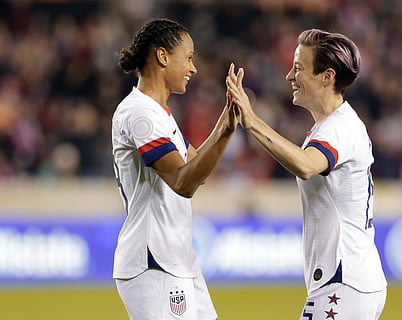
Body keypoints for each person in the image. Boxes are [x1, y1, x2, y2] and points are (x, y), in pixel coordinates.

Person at [227, 29, 387, 320]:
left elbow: (306, 164)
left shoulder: (339, 128)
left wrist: (252, 123)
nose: (289, 76)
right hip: (351, 280)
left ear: (327, 76)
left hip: (343, 281)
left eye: (299, 68)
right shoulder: (335, 125)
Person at [111, 18, 238, 320]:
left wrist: (228, 120)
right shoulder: (141, 113)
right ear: (163, 56)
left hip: (176, 259)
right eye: (190, 57)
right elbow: (183, 182)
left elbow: (198, 170)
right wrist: (227, 129)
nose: (194, 68)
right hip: (153, 260)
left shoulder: (161, 114)